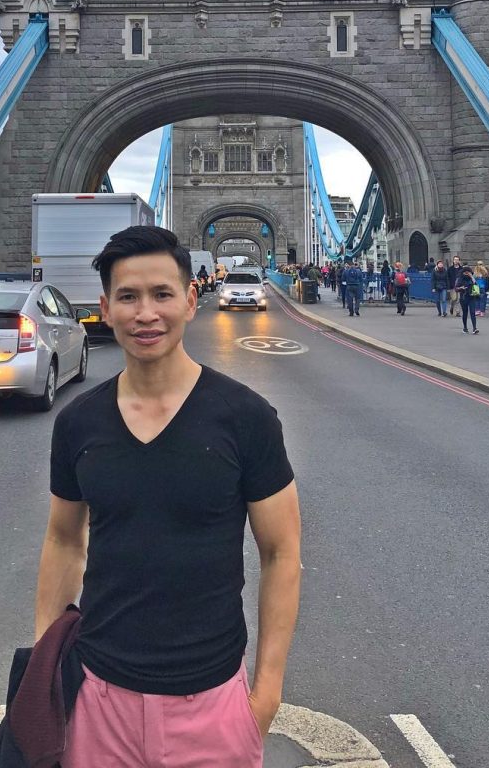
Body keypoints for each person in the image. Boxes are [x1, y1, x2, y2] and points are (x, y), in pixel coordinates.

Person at [35, 226, 301, 767]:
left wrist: (266, 694)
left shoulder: (247, 418)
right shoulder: (77, 423)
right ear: (106, 309)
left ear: (190, 300)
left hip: (211, 704)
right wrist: (46, 667)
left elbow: (282, 554)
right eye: (128, 297)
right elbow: (63, 541)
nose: (145, 314)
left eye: (161, 294)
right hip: (97, 698)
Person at [457, 265, 479, 335]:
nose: (467, 274)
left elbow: (476, 285)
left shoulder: (471, 279)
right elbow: (456, 288)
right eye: (465, 272)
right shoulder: (460, 279)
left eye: (468, 272)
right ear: (463, 273)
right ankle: (465, 327)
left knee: (472, 312)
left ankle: (474, 328)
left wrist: (471, 277)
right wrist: (461, 288)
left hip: (471, 297)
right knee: (465, 313)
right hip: (463, 297)